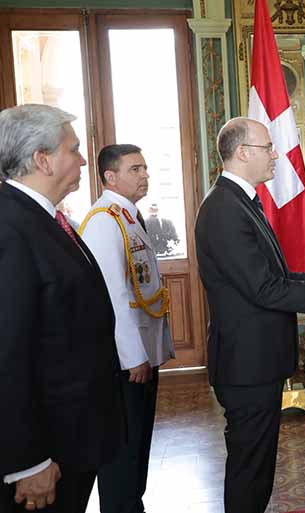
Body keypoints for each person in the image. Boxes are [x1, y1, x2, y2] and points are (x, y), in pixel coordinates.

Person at [195, 117, 305, 513]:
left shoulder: (240, 201)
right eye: (267, 147)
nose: (276, 154)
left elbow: (272, 275)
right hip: (246, 365)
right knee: (249, 469)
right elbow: (262, 289)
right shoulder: (224, 208)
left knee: (257, 467)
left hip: (257, 361)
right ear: (242, 153)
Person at [0, 104, 123, 512]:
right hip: (43, 452)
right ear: (42, 160)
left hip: (72, 436)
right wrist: (25, 461)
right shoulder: (10, 227)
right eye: (73, 149)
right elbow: (8, 353)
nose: (84, 158)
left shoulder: (46, 219)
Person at [79, 144, 175, 513]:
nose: (145, 175)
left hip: (142, 356)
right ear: (110, 176)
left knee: (137, 446)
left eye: (146, 168)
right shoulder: (105, 220)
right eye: (135, 169)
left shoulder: (130, 217)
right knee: (123, 450)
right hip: (126, 362)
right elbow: (113, 297)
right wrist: (134, 357)